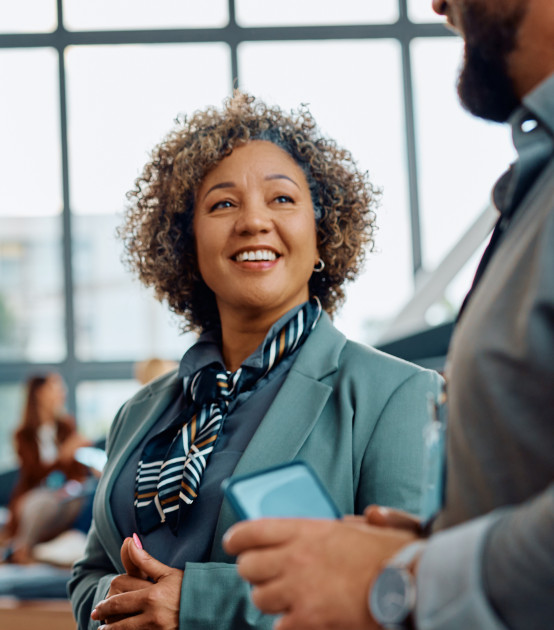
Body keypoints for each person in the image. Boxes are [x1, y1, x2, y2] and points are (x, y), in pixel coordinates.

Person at [224, 1, 554, 628]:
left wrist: (407, 579)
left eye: (283, 199)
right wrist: (433, 543)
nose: (435, 2)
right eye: (220, 205)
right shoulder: (533, 190)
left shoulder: (389, 387)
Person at [68, 92, 443, 630]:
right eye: (222, 204)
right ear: (187, 246)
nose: (253, 222)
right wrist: (117, 597)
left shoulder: (396, 396)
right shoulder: (142, 412)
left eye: (282, 200)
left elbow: (408, 590)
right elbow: (88, 576)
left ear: (322, 237)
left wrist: (196, 604)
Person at [5, 373, 93, 564]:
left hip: (66, 495)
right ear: (39, 393)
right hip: (36, 496)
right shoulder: (23, 435)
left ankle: (26, 548)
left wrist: (84, 458)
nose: (62, 392)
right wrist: (63, 456)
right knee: (41, 501)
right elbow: (33, 473)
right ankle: (23, 548)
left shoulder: (66, 427)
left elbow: (76, 471)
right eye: (55, 387)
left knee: (89, 495)